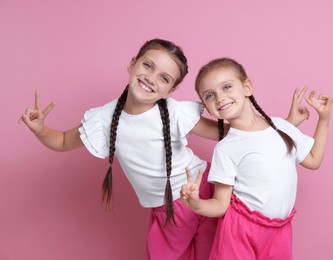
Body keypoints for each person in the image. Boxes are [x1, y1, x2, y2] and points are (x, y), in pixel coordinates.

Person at [20, 39, 308, 259]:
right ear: (132, 63)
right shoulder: (104, 118)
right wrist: (40, 130)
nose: (151, 78)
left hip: (205, 192)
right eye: (148, 66)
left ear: (170, 90)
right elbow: (61, 141)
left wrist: (286, 127)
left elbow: (235, 130)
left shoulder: (174, 112)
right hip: (168, 207)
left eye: (164, 78)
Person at [181, 57, 333, 259]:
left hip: (280, 230)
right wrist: (196, 203)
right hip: (240, 231)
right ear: (207, 108)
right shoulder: (226, 148)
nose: (219, 97)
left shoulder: (281, 127)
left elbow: (314, 160)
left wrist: (324, 118)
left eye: (227, 87)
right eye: (210, 95)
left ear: (247, 87)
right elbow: (221, 204)